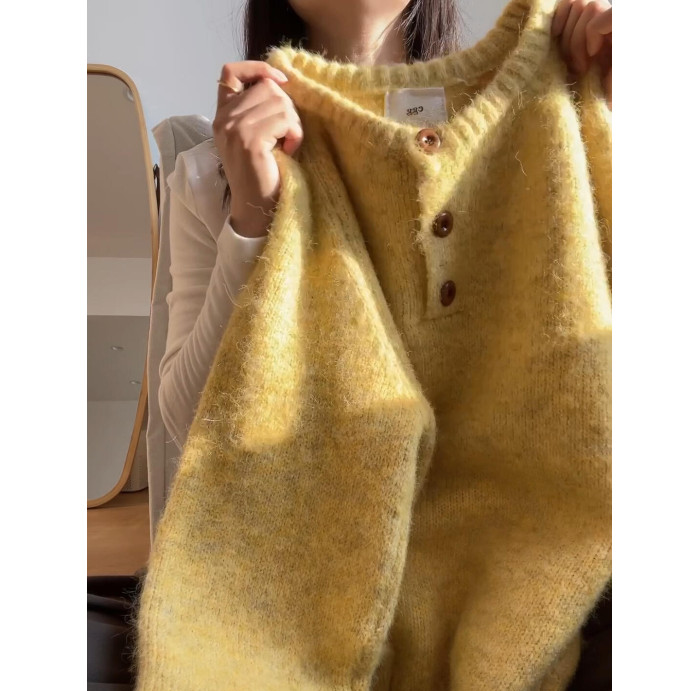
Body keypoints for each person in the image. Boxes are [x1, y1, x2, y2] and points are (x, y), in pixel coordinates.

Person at [158, 0, 612, 451]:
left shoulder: (536, 129)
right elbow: (185, 427)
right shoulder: (213, 174)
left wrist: (605, 119)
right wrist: (253, 218)